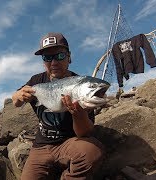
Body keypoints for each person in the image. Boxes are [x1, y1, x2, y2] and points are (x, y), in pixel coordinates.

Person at [12, 32, 104, 179]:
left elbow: (84, 133)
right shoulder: (36, 81)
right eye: (47, 58)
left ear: (69, 57)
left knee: (91, 152)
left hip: (69, 143)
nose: (53, 62)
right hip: (40, 146)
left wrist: (78, 113)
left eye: (59, 56)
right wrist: (19, 95)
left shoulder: (81, 87)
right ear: (43, 61)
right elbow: (15, 101)